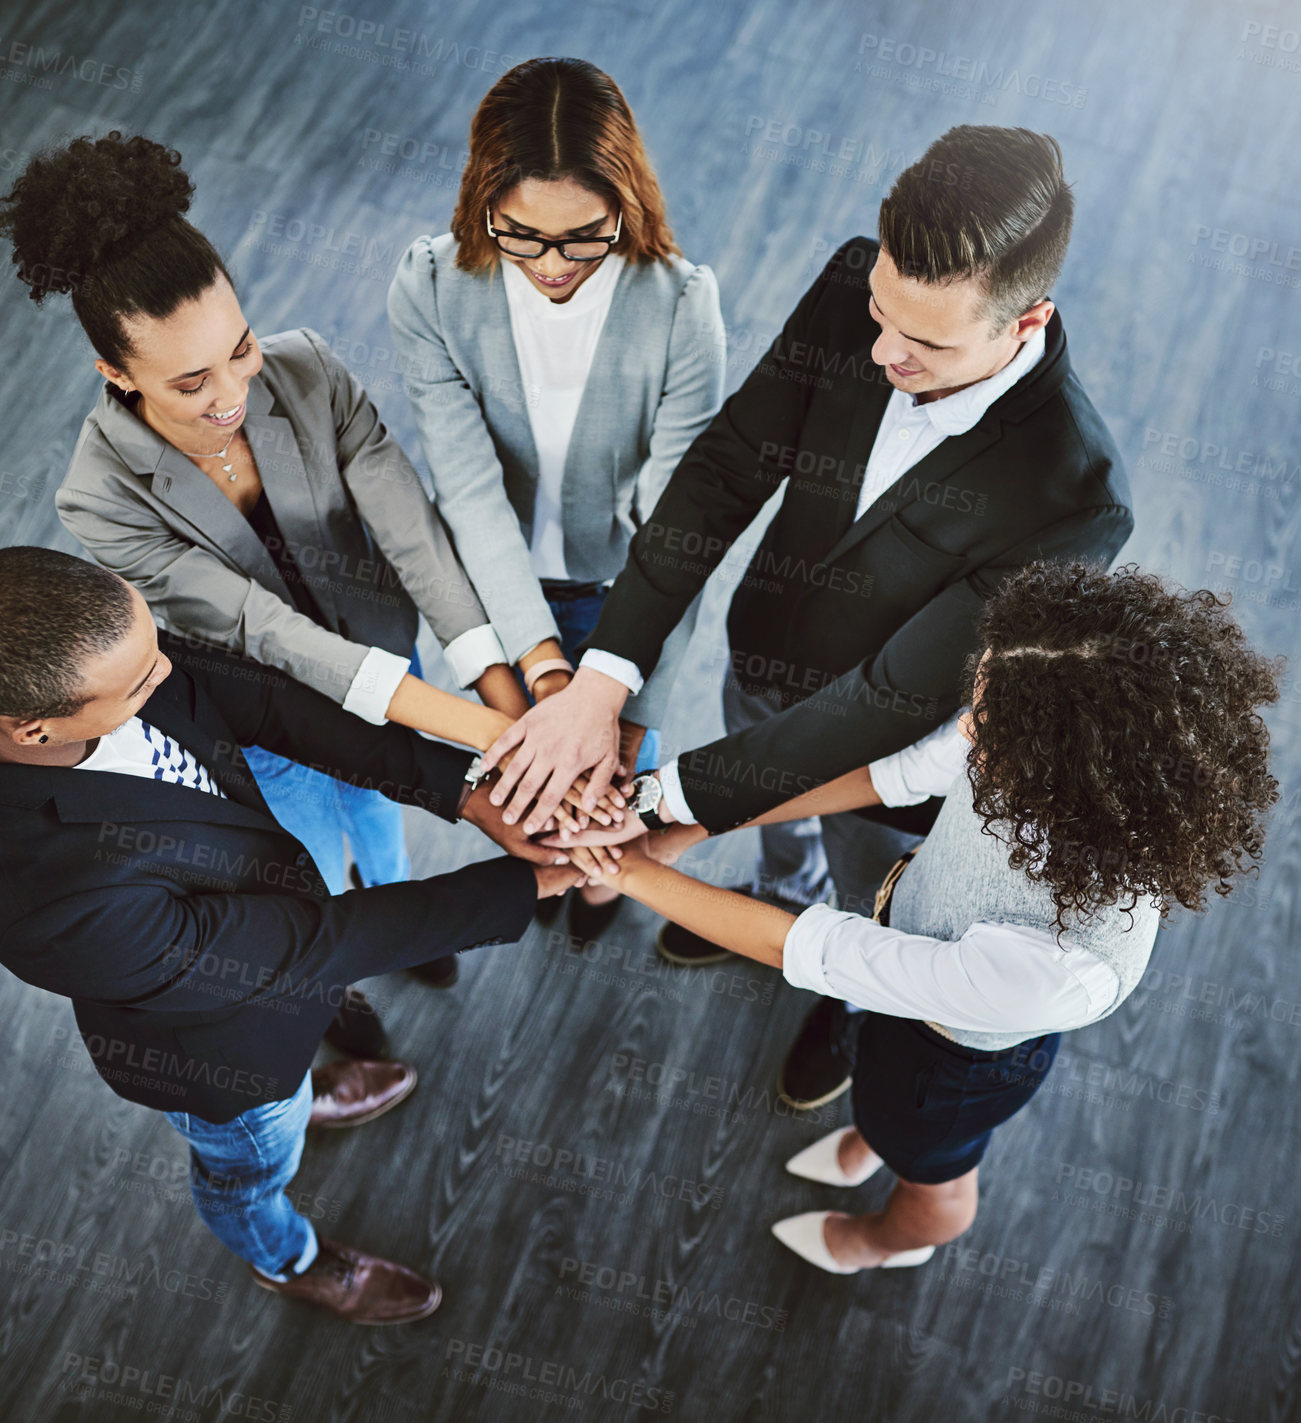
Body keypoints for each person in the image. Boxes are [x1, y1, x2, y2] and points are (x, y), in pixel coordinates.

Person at [478, 122, 1138, 1103]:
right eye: (878, 315)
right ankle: (780, 891)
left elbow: (892, 696)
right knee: (785, 843)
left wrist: (668, 801)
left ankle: (853, 1002)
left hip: (887, 767)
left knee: (877, 901)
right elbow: (723, 472)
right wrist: (601, 677)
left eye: (922, 341)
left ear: (1025, 323)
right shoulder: (851, 284)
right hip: (765, 653)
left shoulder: (1073, 497)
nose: (880, 352)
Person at [0, 546, 588, 1322]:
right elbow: (310, 943)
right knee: (250, 1166)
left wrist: (465, 795)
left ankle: (309, 1090)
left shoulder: (97, 655)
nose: (167, 673)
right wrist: (522, 883)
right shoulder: (47, 903)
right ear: (34, 732)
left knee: (297, 1072)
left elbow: (272, 705)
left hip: (270, 977)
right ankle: (285, 1258)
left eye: (154, 648)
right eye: (142, 682)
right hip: (228, 1063)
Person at [564, 562, 1280, 1272]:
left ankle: (886, 1239)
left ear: (1062, 764)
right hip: (917, 982)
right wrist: (696, 823)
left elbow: (818, 948)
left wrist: (628, 870)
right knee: (880, 1095)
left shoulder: (1062, 966)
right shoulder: (1047, 736)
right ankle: (870, 1139)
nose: (971, 722)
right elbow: (892, 776)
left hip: (953, 1069)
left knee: (932, 1171)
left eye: (988, 717)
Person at [0, 130, 538, 990]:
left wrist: (496, 697)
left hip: (389, 659)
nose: (233, 396)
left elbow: (414, 535)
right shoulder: (99, 497)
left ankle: (404, 918)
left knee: (386, 810)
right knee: (307, 859)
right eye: (189, 383)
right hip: (265, 709)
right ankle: (345, 984)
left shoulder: (309, 370)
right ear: (116, 372)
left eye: (239, 349)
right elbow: (261, 628)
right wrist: (489, 735)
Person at [387, 57, 724, 940]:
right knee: (528, 792)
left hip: (629, 601)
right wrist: (539, 666)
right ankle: (559, 875)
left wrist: (624, 705)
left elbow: (677, 533)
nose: (551, 265)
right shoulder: (429, 286)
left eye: (583, 237)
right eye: (521, 235)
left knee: (615, 791)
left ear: (626, 203)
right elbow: (466, 489)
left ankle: (606, 889)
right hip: (496, 595)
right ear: (481, 203)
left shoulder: (683, 308)